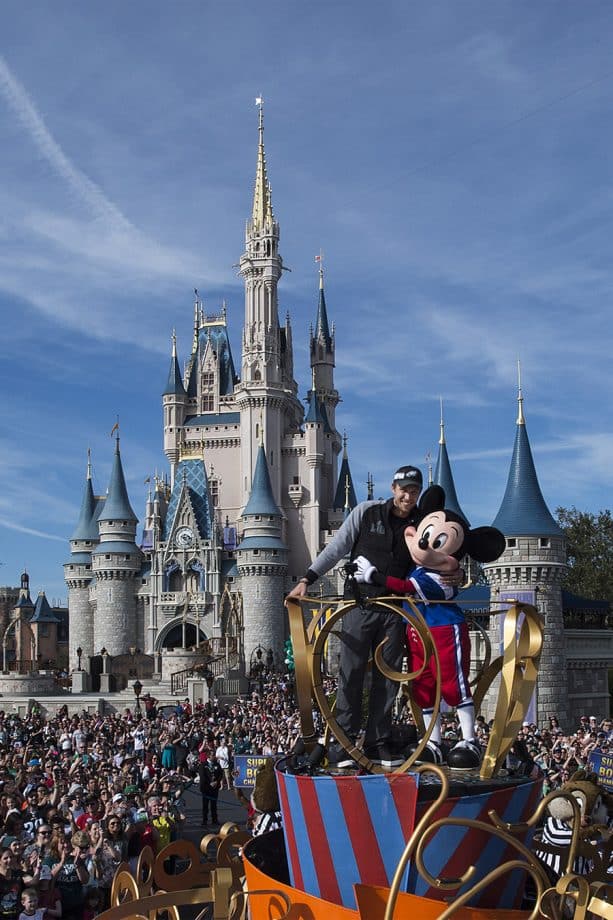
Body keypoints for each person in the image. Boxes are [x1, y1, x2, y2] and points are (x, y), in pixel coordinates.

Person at [287, 465, 429, 768]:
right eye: (403, 489)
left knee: (388, 679)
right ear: (393, 488)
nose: (408, 495)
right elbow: (337, 549)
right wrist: (306, 580)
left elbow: (438, 552)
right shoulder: (367, 512)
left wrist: (453, 572)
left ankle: (378, 744)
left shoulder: (421, 522)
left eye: (414, 490)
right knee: (349, 675)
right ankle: (343, 745)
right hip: (360, 606)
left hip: (394, 611)